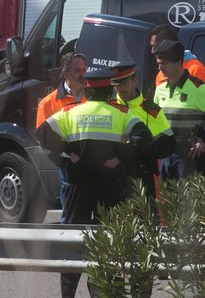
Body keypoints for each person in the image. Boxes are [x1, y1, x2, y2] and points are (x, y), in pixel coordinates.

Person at [36, 69, 151, 298]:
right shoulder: (121, 112)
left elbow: (42, 133)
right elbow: (144, 137)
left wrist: (67, 150)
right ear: (110, 92)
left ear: (87, 91)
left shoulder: (70, 111)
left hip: (78, 186)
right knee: (109, 239)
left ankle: (68, 292)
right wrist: (121, 157)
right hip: (110, 187)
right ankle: (109, 290)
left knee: (73, 239)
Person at [154, 40, 205, 179]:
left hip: (189, 156)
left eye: (164, 63)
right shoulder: (160, 89)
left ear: (178, 62)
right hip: (167, 155)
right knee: (166, 193)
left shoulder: (197, 88)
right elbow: (155, 120)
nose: (160, 68)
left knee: (188, 194)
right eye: (158, 63)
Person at [110, 61, 174, 201]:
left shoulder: (152, 109)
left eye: (124, 84)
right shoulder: (109, 108)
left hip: (142, 171)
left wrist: (143, 148)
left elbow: (166, 143)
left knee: (147, 212)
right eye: (117, 85)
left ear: (135, 81)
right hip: (116, 172)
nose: (120, 89)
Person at [35, 51, 87, 223]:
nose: (83, 74)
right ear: (65, 73)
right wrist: (64, 160)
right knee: (72, 218)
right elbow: (44, 138)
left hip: (95, 164)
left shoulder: (94, 96)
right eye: (77, 71)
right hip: (69, 168)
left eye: (84, 70)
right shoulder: (49, 103)